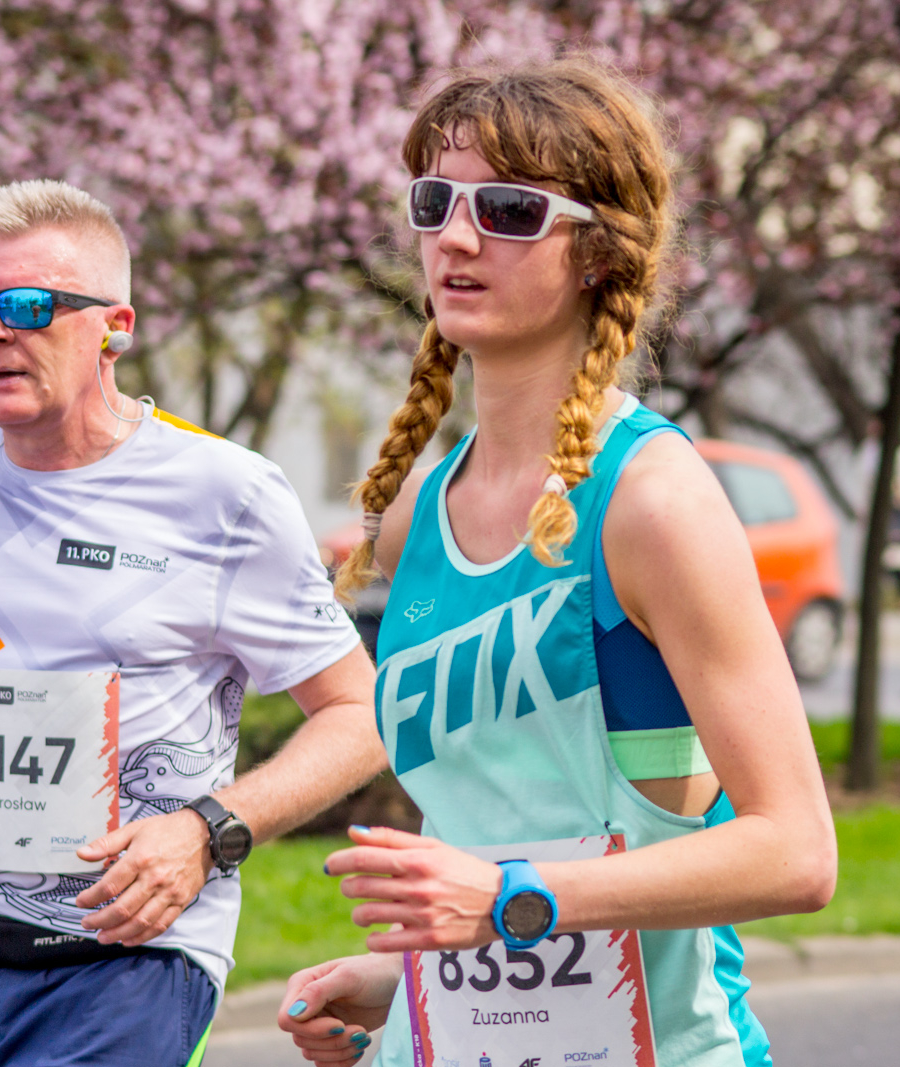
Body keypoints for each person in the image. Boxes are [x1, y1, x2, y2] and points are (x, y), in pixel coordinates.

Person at [275, 60, 837, 1067]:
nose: (453, 234)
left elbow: (796, 850)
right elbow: (490, 838)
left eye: (505, 208)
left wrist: (510, 902)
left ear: (596, 252)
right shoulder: (417, 513)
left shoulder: (651, 501)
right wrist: (404, 984)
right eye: (435, 200)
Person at [0, 180, 385, 1067]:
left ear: (116, 326)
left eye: (30, 305)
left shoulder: (225, 493)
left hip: (133, 961)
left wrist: (208, 830)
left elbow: (362, 713)